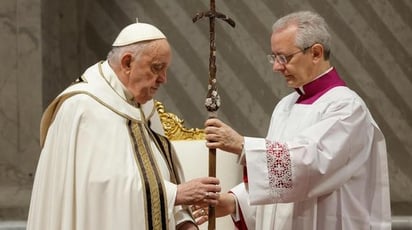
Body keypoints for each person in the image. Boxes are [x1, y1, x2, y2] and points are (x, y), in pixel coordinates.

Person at [203, 11, 391, 230]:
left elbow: (310, 166)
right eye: (274, 57)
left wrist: (244, 146)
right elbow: (280, 186)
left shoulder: (347, 108)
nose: (276, 67)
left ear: (316, 53)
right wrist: (235, 202)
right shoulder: (285, 106)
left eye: (284, 58)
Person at [27, 19, 221, 230]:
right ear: (127, 63)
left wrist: (184, 222)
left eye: (166, 70)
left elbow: (163, 175)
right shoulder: (82, 107)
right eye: (157, 68)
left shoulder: (145, 108)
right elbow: (98, 195)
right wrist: (175, 194)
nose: (163, 79)